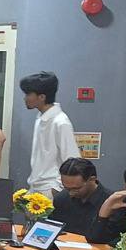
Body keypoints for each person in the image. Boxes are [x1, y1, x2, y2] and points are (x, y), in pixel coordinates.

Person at [19, 70, 79, 199]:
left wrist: (56, 189)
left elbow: (72, 160)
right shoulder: (40, 118)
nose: (25, 98)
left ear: (42, 97)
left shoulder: (61, 122)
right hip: (35, 188)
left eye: (28, 94)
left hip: (50, 190)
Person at [53, 157, 111, 237]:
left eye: (76, 189)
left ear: (92, 179)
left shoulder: (110, 203)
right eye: (66, 188)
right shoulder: (61, 199)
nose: (71, 193)